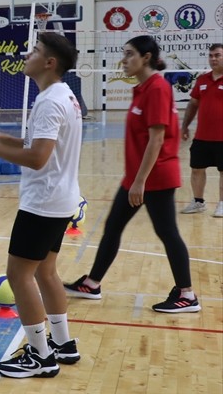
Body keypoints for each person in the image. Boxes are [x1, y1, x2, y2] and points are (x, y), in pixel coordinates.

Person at [0, 33, 83, 378]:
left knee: (20, 274)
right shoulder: (63, 96)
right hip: (60, 199)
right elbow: (39, 144)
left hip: (43, 202)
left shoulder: (49, 101)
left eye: (34, 51)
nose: (26, 54)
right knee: (46, 272)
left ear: (49, 63)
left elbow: (36, 157)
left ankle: (40, 356)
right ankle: (62, 344)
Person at [63, 35, 199, 314]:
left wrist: (140, 181)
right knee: (113, 227)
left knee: (167, 232)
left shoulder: (158, 88)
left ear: (146, 57)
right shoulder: (142, 88)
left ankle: (187, 295)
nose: (123, 61)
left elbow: (157, 139)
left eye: (128, 54)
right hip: (137, 178)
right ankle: (92, 283)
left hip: (155, 177)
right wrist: (135, 180)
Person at [180, 43, 223, 217]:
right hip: (202, 136)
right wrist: (184, 125)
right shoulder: (202, 80)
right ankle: (198, 202)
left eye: (217, 55)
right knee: (197, 169)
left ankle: (222, 204)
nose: (213, 58)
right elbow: (193, 104)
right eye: (211, 55)